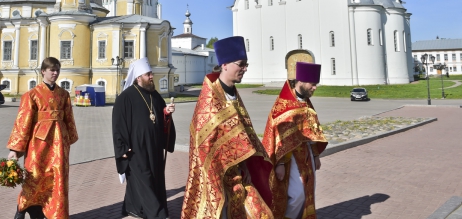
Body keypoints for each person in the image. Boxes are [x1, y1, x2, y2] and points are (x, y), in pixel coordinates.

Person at [181, 36, 275, 219]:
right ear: (224, 64)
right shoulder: (210, 99)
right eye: (241, 64)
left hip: (239, 174)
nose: (245, 69)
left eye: (246, 64)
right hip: (216, 177)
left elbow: (243, 135)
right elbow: (204, 144)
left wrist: (245, 165)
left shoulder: (233, 94)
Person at [7, 57, 79, 219]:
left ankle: (54, 213)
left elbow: (69, 119)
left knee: (56, 179)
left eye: (57, 70)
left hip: (59, 145)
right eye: (52, 70)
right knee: (35, 178)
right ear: (43, 72)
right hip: (37, 145)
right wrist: (15, 150)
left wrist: (68, 138)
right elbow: (22, 123)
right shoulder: (32, 95)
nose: (55, 73)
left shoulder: (64, 94)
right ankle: (22, 209)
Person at [262, 60, 328, 219]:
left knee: (307, 193)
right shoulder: (283, 104)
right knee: (297, 196)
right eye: (312, 84)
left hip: (307, 156)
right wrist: (281, 163)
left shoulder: (306, 102)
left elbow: (312, 131)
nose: (315, 88)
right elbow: (277, 135)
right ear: (302, 81)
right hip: (289, 159)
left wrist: (316, 155)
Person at [112, 57, 176, 219]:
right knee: (144, 180)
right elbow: (118, 125)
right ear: (138, 77)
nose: (151, 76)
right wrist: (122, 148)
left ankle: (134, 207)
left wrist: (166, 112)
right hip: (136, 149)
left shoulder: (154, 95)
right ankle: (157, 214)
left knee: (152, 180)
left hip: (154, 148)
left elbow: (161, 117)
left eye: (151, 73)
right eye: (148, 74)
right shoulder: (125, 97)